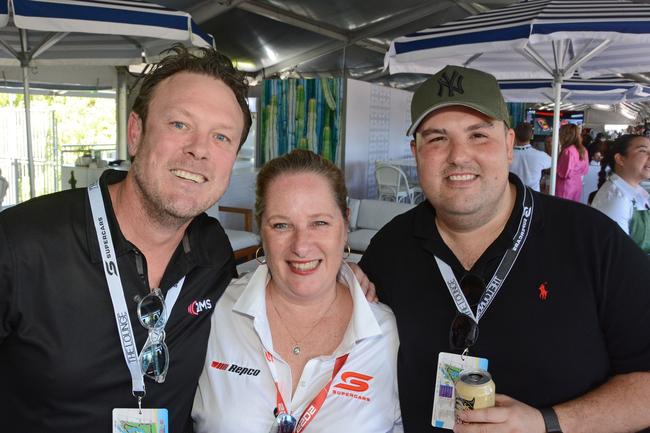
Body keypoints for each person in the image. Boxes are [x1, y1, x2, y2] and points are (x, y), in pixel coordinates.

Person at [359, 65, 650, 433]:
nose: (458, 156)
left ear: (510, 144)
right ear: (416, 152)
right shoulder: (389, 248)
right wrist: (337, 281)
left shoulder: (592, 241)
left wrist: (548, 422)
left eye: (478, 135)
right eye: (437, 139)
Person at [0, 45, 252, 432]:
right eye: (180, 124)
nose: (199, 149)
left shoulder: (212, 250)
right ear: (135, 134)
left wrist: (346, 281)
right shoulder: (20, 244)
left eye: (221, 137)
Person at [192, 149, 402, 433]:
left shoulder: (386, 333)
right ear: (261, 230)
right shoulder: (215, 311)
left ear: (345, 224)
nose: (301, 246)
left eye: (319, 223)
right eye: (281, 225)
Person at [592, 134, 650, 253]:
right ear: (620, 159)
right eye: (643, 151)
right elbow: (618, 256)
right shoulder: (616, 200)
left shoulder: (634, 191)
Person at [509, 122, 551, 192]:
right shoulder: (540, 156)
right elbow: (553, 163)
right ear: (531, 135)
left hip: (512, 194)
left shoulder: (507, 154)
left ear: (514, 135)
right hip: (533, 196)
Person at [555, 123, 589, 201]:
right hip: (577, 184)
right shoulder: (583, 150)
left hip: (565, 186)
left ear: (565, 135)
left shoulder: (568, 151)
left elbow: (564, 173)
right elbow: (585, 170)